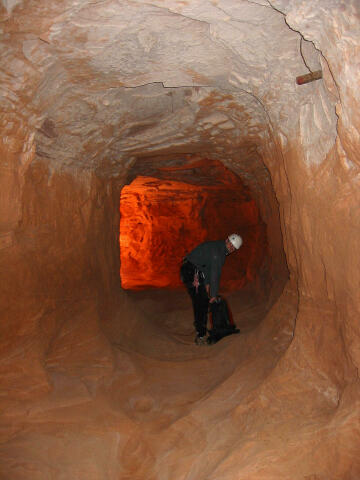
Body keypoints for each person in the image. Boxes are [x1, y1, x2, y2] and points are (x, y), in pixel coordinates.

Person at [180, 233, 243, 345]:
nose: (231, 247)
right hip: (191, 269)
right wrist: (213, 295)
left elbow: (207, 267)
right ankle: (200, 335)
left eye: (233, 247)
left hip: (192, 269)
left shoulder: (218, 248)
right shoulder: (219, 252)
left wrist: (207, 284)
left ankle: (201, 332)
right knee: (201, 302)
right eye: (230, 244)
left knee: (201, 300)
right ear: (227, 240)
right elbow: (215, 273)